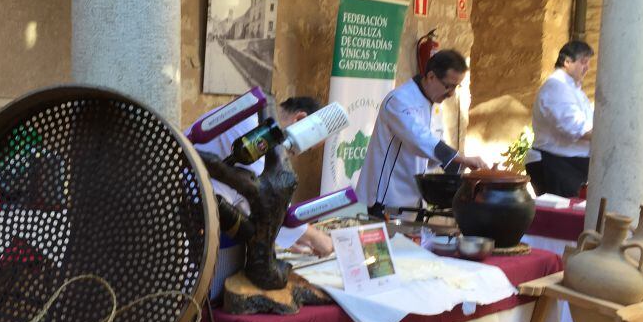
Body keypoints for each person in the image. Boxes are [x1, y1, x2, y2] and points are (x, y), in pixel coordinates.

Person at [192, 96, 333, 257]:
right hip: (186, 218)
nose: (297, 154)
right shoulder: (252, 128)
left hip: (205, 219)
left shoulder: (254, 119)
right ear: (299, 119)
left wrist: (289, 238)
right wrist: (317, 238)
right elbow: (267, 200)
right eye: (306, 148)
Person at [356, 50, 487, 217]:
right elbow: (419, 139)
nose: (451, 93)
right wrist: (460, 158)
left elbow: (434, 153)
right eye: (449, 86)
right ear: (431, 76)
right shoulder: (399, 100)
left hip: (413, 200)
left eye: (456, 87)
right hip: (383, 200)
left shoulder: (434, 105)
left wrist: (465, 170)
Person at [530, 41, 594, 197]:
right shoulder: (557, 87)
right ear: (567, 62)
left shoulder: (572, 88)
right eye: (583, 62)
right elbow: (578, 129)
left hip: (570, 164)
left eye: (588, 63)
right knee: (559, 217)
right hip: (557, 164)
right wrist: (610, 137)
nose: (587, 67)